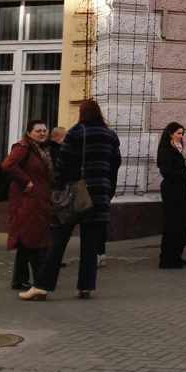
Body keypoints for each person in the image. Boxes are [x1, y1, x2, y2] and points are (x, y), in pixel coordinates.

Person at [22, 100, 122, 300]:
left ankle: (42, 286)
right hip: (99, 196)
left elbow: (62, 164)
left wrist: (58, 189)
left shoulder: (76, 133)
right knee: (91, 244)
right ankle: (85, 287)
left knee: (58, 241)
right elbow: (115, 165)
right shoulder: (110, 135)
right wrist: (107, 190)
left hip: (75, 195)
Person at [3, 120, 54, 290]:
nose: (42, 133)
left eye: (44, 130)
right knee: (33, 239)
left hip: (39, 200)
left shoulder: (40, 149)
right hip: (28, 201)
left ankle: (19, 279)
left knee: (27, 240)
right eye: (38, 130)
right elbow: (8, 165)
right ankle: (40, 280)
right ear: (29, 132)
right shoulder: (23, 147)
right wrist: (26, 181)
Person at [157, 122, 186, 269]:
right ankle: (167, 259)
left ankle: (177, 255)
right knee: (172, 224)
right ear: (170, 134)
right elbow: (166, 171)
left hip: (180, 189)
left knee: (181, 224)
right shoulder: (166, 150)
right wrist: (184, 174)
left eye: (182, 133)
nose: (181, 136)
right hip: (172, 190)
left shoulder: (177, 148)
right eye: (178, 133)